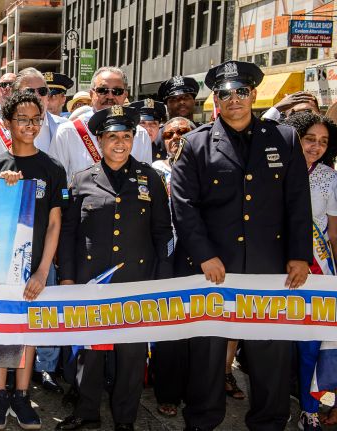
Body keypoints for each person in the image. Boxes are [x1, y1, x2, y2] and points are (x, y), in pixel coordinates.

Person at [170, 60, 312, 431]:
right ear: (216, 99)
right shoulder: (196, 143)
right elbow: (184, 207)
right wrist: (204, 256)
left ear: (253, 95)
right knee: (208, 351)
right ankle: (202, 420)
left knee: (270, 352)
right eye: (226, 94)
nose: (234, 99)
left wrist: (299, 256)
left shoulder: (283, 138)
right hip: (215, 269)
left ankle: (268, 421)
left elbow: (298, 202)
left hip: (271, 267)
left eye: (241, 92)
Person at [55, 105, 173, 431]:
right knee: (89, 353)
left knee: (131, 356)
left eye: (126, 136)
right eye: (112, 137)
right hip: (92, 283)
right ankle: (86, 412)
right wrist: (67, 276)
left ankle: (125, 419)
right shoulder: (81, 181)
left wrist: (161, 279)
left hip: (136, 282)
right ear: (100, 139)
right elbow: (68, 235)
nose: (119, 143)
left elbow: (163, 232)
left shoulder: (150, 177)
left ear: (134, 138)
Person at [0, 90, 67, 430]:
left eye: (36, 119)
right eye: (22, 120)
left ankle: (21, 393)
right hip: (2, 265)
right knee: (0, 328)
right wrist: (4, 189)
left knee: (28, 330)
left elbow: (55, 223)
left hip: (36, 267)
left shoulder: (53, 167)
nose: (30, 126)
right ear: (8, 123)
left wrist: (44, 270)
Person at [283, 111, 337, 431]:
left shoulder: (329, 177)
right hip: (274, 268)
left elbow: (333, 234)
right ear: (295, 137)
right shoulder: (274, 171)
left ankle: (309, 408)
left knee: (311, 344)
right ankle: (276, 406)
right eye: (309, 139)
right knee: (275, 344)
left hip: (315, 270)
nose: (316, 146)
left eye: (323, 142)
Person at [148, 116, 195, 418]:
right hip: (163, 257)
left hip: (198, 255)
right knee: (167, 327)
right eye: (169, 133)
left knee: (197, 328)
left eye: (183, 132)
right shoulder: (153, 171)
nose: (176, 137)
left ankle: (195, 391)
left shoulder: (205, 166)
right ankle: (167, 392)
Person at [48, 67, 153, 184]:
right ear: (92, 94)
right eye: (102, 90)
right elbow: (55, 181)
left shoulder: (141, 134)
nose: (110, 96)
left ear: (125, 95)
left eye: (117, 91)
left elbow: (145, 180)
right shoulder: (68, 132)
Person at [0, 68, 68, 157]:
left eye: (42, 91)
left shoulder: (66, 127)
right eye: (29, 91)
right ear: (16, 96)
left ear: (48, 96)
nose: (37, 96)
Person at [154, 76, 200, 161]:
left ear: (194, 101)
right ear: (167, 105)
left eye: (186, 97)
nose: (182, 102)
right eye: (174, 99)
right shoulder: (156, 136)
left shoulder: (205, 132)